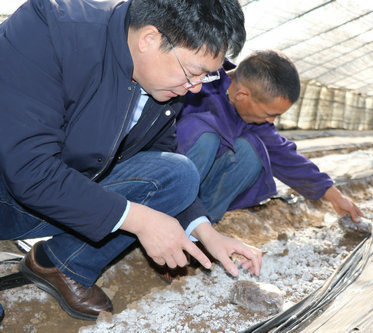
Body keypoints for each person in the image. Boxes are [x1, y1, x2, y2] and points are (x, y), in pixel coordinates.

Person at [0, 0, 262, 322]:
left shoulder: (163, 81)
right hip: (10, 187)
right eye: (194, 73)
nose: (195, 88)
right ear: (149, 39)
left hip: (56, 191)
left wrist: (207, 233)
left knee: (178, 174)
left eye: (205, 78)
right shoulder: (50, 28)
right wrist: (137, 218)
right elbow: (29, 169)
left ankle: (62, 264)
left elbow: (158, 156)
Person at [176, 50, 363, 225]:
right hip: (163, 175)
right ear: (242, 95)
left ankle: (196, 227)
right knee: (204, 135)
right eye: (268, 113)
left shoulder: (253, 114)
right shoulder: (196, 82)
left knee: (252, 151)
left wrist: (335, 196)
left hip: (197, 185)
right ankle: (165, 216)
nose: (271, 120)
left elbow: (283, 155)